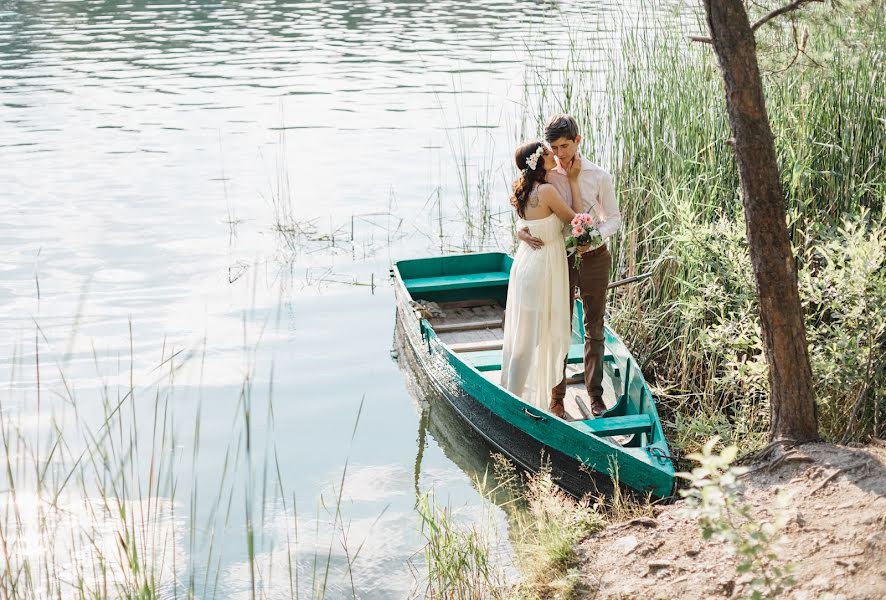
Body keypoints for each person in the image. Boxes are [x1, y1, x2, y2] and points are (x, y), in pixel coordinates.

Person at [517, 114, 622, 418]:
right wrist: (521, 230)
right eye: (554, 147)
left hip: (595, 259)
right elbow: (527, 206)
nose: (560, 154)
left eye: (565, 146)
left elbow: (613, 217)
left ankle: (595, 396)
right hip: (558, 260)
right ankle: (556, 398)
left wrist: (596, 236)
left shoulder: (599, 175)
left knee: (594, 327)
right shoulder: (547, 175)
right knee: (558, 327)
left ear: (578, 141)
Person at [500, 140, 583, 414]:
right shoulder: (546, 191)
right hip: (544, 267)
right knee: (536, 333)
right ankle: (518, 399)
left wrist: (520, 232)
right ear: (538, 162)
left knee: (524, 335)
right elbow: (574, 220)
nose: (552, 155)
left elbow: (523, 223)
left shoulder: (523, 191)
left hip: (526, 265)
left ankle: (513, 393)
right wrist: (573, 181)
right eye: (548, 153)